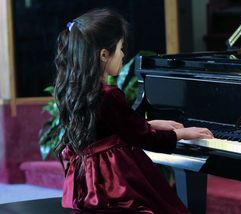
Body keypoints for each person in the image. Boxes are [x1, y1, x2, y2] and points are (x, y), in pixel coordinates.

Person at [54, 8, 213, 213]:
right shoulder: (109, 95)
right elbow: (145, 139)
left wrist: (148, 124)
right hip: (110, 183)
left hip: (85, 183)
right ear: (104, 54)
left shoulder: (75, 90)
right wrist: (181, 133)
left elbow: (115, 128)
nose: (122, 55)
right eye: (120, 48)